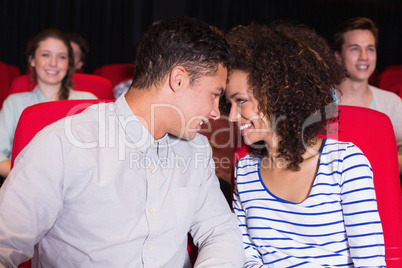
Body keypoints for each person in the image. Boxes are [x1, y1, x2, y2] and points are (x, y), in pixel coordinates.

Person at [0, 17, 244, 267]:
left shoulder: (197, 150)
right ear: (178, 79)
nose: (216, 112)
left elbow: (220, 231)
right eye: (214, 95)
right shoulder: (63, 144)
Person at [225, 22, 386, 267]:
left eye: (241, 101)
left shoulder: (346, 163)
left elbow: (371, 263)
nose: (232, 116)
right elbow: (247, 259)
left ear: (275, 94)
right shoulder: (245, 171)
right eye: (230, 104)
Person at [0, 29, 97, 182]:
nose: (53, 63)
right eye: (45, 55)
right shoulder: (14, 103)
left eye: (61, 57)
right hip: (25, 187)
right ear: (32, 60)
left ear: (69, 63)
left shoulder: (88, 101)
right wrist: (28, 177)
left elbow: (101, 155)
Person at [333, 17, 402, 174]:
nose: (364, 56)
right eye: (355, 49)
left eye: (370, 48)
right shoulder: (317, 103)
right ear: (338, 56)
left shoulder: (392, 103)